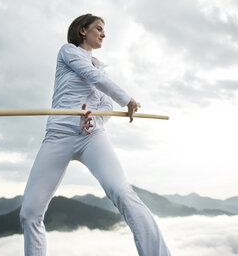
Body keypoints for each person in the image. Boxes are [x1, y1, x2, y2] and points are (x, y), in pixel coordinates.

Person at [19, 14, 171, 256]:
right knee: (29, 212)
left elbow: (106, 107)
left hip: (91, 137)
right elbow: (93, 78)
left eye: (104, 30)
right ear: (82, 31)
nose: (103, 34)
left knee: (122, 192)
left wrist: (91, 120)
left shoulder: (102, 69)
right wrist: (128, 100)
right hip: (58, 135)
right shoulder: (68, 52)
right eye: (98, 28)